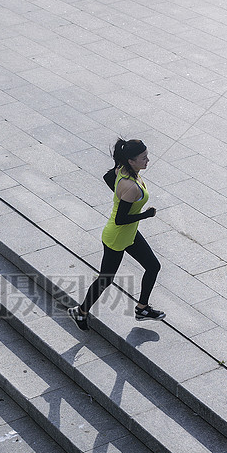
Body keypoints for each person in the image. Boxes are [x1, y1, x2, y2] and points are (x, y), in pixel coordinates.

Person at [68, 138, 164, 331]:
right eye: (143, 158)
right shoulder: (130, 186)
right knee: (105, 279)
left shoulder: (122, 169)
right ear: (131, 160)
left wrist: (117, 196)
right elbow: (120, 219)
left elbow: (107, 177)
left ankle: (142, 308)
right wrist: (146, 214)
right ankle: (80, 312)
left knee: (153, 266)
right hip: (117, 237)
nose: (148, 160)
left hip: (129, 234)